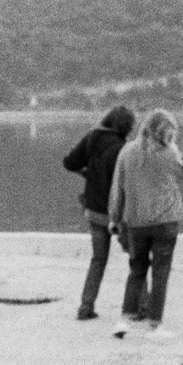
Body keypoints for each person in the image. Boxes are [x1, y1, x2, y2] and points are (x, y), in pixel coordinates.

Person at [108, 109, 183, 338]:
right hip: (166, 221)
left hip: (136, 221)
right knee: (160, 273)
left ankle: (124, 320)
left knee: (136, 270)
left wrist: (114, 218)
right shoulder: (169, 152)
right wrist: (175, 148)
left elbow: (117, 188)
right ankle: (155, 326)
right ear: (167, 132)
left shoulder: (127, 151)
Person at [62, 105, 136, 319]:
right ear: (126, 126)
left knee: (98, 259)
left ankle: (86, 307)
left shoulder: (92, 138)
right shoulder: (123, 149)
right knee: (136, 259)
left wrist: (87, 173)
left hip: (94, 211)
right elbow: (126, 185)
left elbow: (69, 163)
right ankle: (141, 306)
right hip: (116, 216)